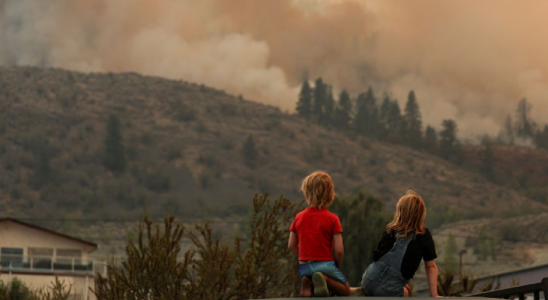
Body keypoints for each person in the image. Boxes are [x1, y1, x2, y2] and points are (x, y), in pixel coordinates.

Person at [361, 190, 441, 297]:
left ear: (400, 212)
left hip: (368, 281)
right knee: (407, 293)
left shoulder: (390, 230)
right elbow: (431, 267)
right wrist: (434, 295)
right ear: (421, 213)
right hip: (389, 291)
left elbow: (380, 259)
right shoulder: (423, 236)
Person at [288, 171, 350, 297]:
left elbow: (291, 245)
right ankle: (325, 279)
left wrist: (302, 256)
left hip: (304, 266)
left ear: (306, 192)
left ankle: (307, 283)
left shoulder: (299, 217)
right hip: (325, 265)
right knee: (346, 290)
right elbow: (339, 251)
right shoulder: (332, 219)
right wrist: (335, 267)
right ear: (330, 194)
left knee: (311, 281)